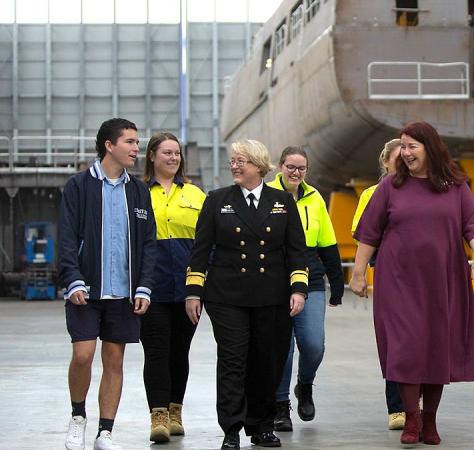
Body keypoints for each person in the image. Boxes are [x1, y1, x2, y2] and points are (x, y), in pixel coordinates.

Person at [350, 121, 474, 446]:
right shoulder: (391, 186)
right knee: (405, 347)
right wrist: (358, 272)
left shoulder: (454, 186)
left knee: (436, 347)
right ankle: (411, 418)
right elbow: (369, 232)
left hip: (443, 280)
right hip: (398, 281)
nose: (406, 152)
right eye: (403, 145)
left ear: (430, 148)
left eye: (412, 145)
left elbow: (473, 223)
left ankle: (430, 420)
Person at [184, 140, 308, 449]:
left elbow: (296, 250)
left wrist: (299, 289)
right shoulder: (216, 201)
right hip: (227, 297)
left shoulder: (282, 201)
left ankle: (262, 426)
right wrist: (193, 292)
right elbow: (200, 252)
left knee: (266, 361)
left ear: (259, 165)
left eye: (242, 161)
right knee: (233, 360)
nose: (235, 166)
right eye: (233, 161)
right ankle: (231, 429)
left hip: (273, 296)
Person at [59, 118, 156, 450]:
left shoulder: (138, 189)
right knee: (84, 355)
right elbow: (67, 238)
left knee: (114, 360)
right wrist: (72, 279)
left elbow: (148, 243)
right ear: (109, 146)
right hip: (85, 290)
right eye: (129, 142)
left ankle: (105, 432)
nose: (136, 148)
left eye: (137, 142)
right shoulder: (79, 186)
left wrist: (143, 286)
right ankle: (77, 417)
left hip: (125, 293)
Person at [267, 146, 344, 431]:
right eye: (290, 167)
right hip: (276, 281)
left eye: (301, 168)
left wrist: (337, 283)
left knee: (313, 344)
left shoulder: (315, 199)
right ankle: (280, 405)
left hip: (311, 280)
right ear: (280, 166)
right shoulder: (268, 196)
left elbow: (328, 242)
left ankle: (305, 385)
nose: (295, 173)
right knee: (283, 348)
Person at [140, 132, 206, 443]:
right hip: (150, 287)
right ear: (152, 156)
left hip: (188, 288)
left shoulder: (195, 195)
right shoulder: (137, 194)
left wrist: (203, 284)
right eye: (166, 152)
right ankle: (158, 417)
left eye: (177, 153)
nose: (173, 158)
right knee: (156, 351)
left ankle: (175, 411)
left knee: (180, 352)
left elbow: (208, 243)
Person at [350, 138, 406, 431]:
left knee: (421, 339)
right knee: (395, 341)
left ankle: (417, 401)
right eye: (398, 158)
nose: (404, 162)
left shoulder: (422, 189)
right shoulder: (373, 193)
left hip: (420, 275)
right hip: (388, 271)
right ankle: (397, 407)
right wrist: (359, 273)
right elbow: (364, 236)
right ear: (385, 162)